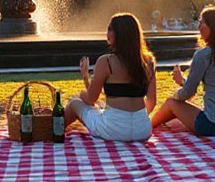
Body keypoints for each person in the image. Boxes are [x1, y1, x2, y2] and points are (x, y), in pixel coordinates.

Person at [151, 6, 215, 137]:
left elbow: (187, 94)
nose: (199, 27)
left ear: (213, 28)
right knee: (180, 110)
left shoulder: (204, 55)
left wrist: (176, 94)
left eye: (202, 22)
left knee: (171, 103)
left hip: (214, 125)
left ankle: (147, 126)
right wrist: (183, 82)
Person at [64, 13, 157, 142]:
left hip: (113, 130)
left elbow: (91, 98)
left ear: (120, 34)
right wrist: (135, 119)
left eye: (110, 29)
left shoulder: (106, 61)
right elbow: (152, 102)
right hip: (143, 130)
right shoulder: (148, 62)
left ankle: (51, 130)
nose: (107, 33)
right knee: (100, 106)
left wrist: (80, 94)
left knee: (74, 103)